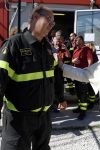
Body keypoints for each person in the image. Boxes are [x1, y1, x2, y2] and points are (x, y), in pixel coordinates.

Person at [0, 5, 67, 150]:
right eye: (49, 19)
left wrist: (61, 97)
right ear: (35, 17)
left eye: (53, 22)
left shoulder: (48, 48)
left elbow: (55, 75)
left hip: (44, 117)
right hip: (18, 119)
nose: (52, 24)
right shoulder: (14, 44)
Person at [71, 35, 93, 120]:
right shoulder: (76, 50)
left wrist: (88, 72)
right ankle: (80, 108)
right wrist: (73, 61)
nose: (76, 41)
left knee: (83, 94)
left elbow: (90, 61)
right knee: (78, 93)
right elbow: (72, 60)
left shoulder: (86, 49)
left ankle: (83, 112)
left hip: (83, 74)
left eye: (78, 40)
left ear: (82, 41)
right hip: (76, 74)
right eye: (75, 40)